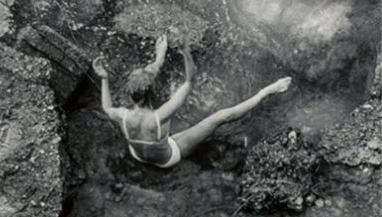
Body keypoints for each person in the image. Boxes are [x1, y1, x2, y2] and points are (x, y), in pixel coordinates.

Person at [92, 34, 292, 168]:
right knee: (220, 117)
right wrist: (186, 52)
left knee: (163, 126)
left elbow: (106, 106)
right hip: (166, 158)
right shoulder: (161, 115)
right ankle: (266, 91)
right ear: (152, 93)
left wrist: (104, 77)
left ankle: (160, 54)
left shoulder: (122, 115)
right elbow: (190, 81)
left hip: (138, 155)